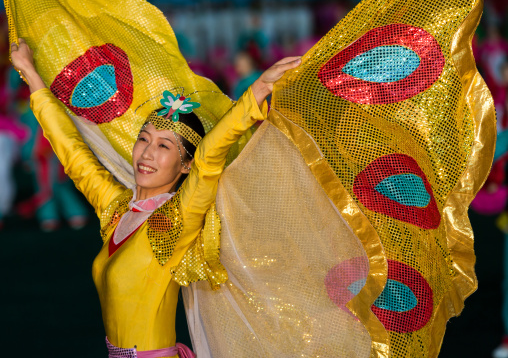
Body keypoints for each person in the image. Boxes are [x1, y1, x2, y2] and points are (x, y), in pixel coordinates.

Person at [10, 38, 301, 357]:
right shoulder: (117, 208)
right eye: (144, 139)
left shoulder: (177, 219)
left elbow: (208, 158)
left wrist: (255, 93)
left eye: (164, 146)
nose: (147, 153)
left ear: (186, 164)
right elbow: (72, 153)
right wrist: (30, 74)